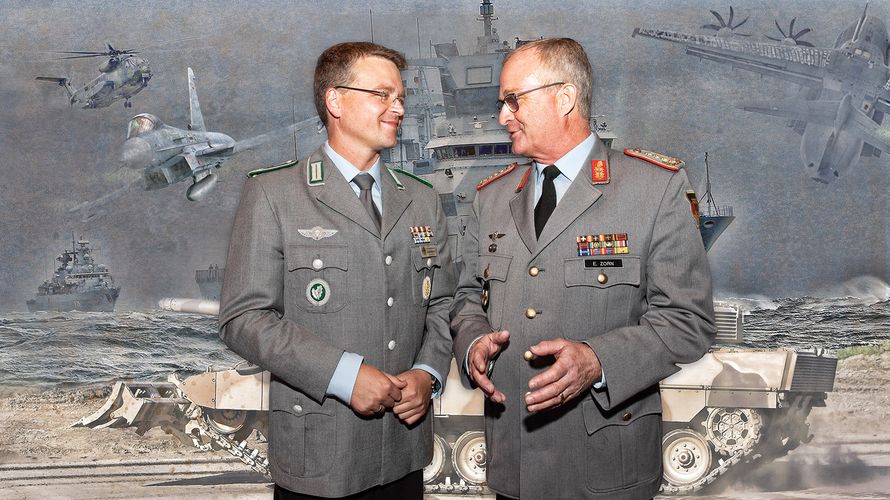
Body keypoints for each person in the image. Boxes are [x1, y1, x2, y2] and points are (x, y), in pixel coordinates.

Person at [451, 38, 716, 499]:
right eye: (501, 103)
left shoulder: (654, 189)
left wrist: (598, 360)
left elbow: (687, 321)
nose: (502, 116)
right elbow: (467, 297)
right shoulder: (489, 198)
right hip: (513, 466)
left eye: (513, 100)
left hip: (605, 470)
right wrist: (473, 340)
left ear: (565, 97)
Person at [219, 42, 454, 499]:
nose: (399, 108)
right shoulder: (275, 193)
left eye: (400, 97)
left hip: (404, 454)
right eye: (382, 95)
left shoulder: (421, 197)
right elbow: (243, 318)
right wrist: (344, 376)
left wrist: (427, 372)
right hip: (321, 459)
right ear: (335, 101)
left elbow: (441, 302)